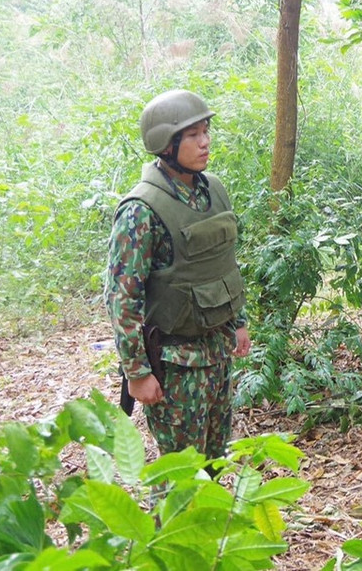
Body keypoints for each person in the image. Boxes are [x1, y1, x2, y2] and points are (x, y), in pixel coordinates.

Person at [104, 89, 251, 459]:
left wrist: (239, 321)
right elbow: (123, 298)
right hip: (175, 366)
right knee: (180, 478)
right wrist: (137, 371)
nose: (205, 142)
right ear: (166, 143)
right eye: (193, 135)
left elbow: (223, 262)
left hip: (217, 353)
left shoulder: (212, 191)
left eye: (206, 131)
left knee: (215, 464)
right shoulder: (141, 210)